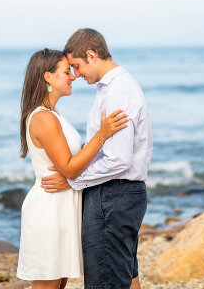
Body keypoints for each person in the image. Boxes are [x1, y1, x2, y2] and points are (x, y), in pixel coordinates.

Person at [41, 28, 153, 289]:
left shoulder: (117, 92)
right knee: (125, 275)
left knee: (106, 279)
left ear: (92, 55)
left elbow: (118, 160)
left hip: (113, 195)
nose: (76, 75)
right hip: (120, 195)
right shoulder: (114, 88)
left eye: (77, 66)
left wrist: (73, 180)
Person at [16, 48, 129, 288]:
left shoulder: (53, 114)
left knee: (59, 283)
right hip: (49, 209)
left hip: (62, 207)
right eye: (67, 71)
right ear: (48, 77)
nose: (73, 76)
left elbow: (70, 165)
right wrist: (103, 134)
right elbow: (69, 168)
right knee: (49, 284)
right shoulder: (44, 118)